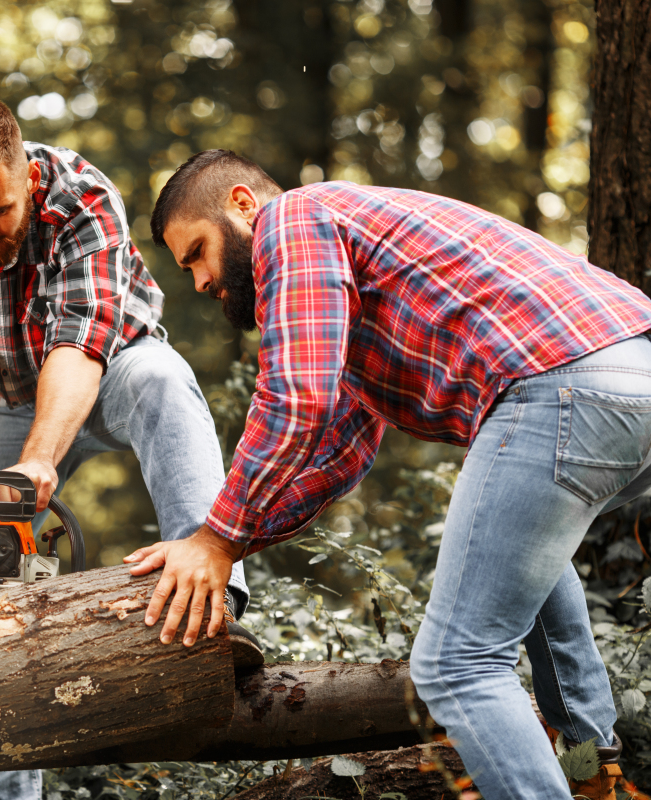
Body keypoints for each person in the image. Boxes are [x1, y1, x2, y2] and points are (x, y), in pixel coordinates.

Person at [129, 148, 651, 800]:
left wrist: (215, 539)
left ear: (242, 203)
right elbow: (335, 458)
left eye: (197, 253)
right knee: (528, 570)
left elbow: (296, 399)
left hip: (558, 385)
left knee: (456, 668)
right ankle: (594, 776)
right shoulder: (343, 283)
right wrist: (228, 540)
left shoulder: (294, 219)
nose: (202, 281)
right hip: (630, 374)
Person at [0, 99, 260, 800]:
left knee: (165, 382)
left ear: (27, 175)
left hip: (109, 370)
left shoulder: (81, 195)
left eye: (0, 212)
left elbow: (81, 342)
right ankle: (5, 789)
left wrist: (43, 455)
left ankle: (217, 607)